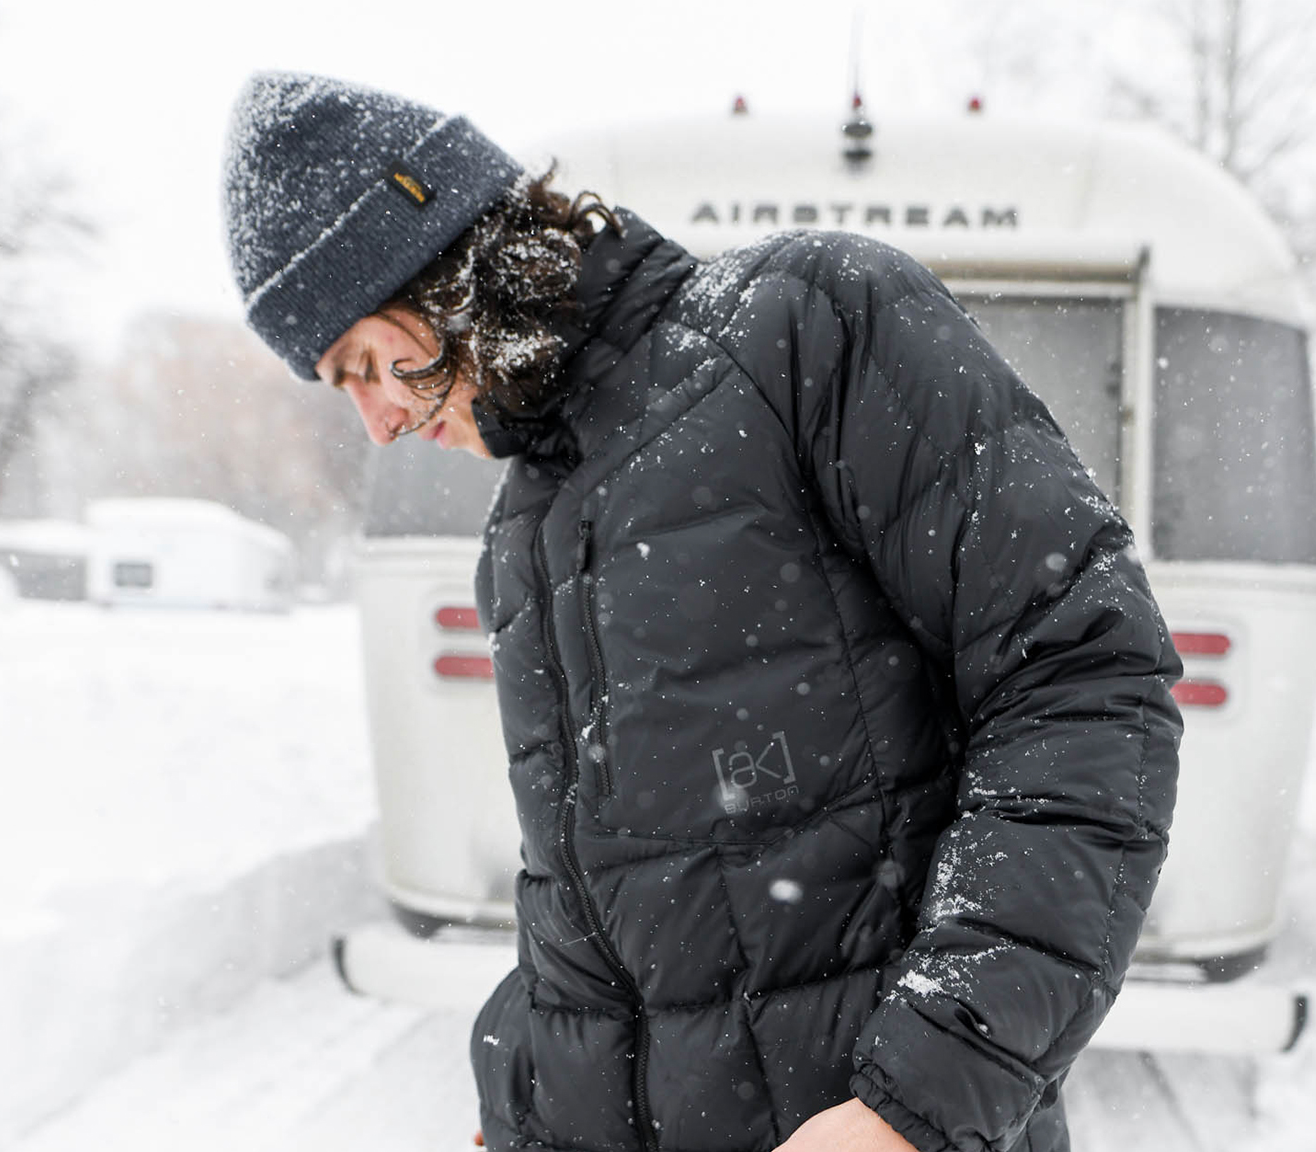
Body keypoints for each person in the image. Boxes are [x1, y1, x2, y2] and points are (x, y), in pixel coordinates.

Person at [222, 72, 1184, 1152]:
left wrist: (916, 1102)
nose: (377, 422)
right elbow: (597, 900)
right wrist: (529, 1098)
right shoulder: (525, 530)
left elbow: (1080, 680)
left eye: (364, 364)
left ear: (448, 275)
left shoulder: (802, 330)